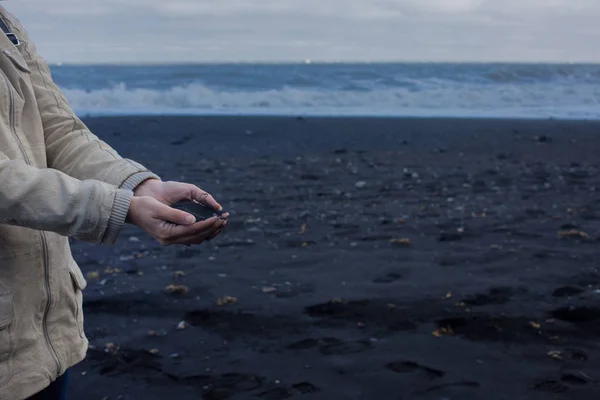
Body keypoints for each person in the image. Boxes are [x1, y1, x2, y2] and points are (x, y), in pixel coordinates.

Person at [0, 6, 229, 400]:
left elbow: (60, 130)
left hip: (41, 341)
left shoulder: (4, 20)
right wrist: (116, 206)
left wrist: (138, 185)